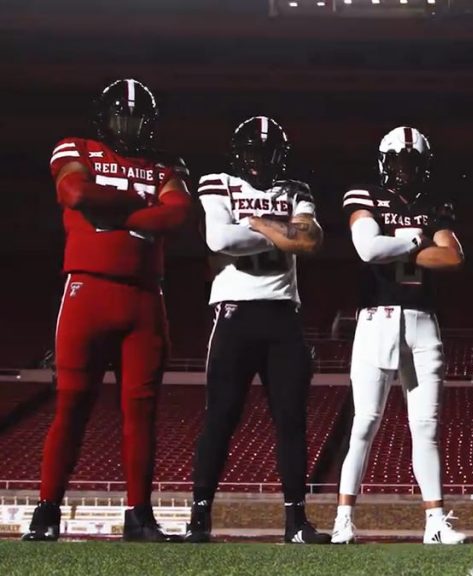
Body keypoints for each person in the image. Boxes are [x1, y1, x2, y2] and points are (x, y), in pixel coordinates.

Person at [24, 79, 190, 542]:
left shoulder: (164, 166)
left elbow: (176, 215)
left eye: (137, 119)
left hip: (144, 297)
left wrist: (113, 210)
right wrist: (142, 206)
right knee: (71, 404)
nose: (129, 126)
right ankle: (47, 509)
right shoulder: (75, 147)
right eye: (122, 117)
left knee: (142, 411)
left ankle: (139, 516)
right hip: (87, 290)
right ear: (103, 118)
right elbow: (75, 193)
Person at [184, 116, 328, 544]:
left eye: (265, 154)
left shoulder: (297, 190)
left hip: (283, 314)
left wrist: (253, 225)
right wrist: (276, 230)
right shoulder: (217, 182)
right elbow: (218, 240)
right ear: (237, 153)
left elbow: (308, 242)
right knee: (221, 418)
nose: (257, 162)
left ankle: (295, 522)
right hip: (234, 314)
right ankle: (199, 518)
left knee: (291, 421)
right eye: (251, 153)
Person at [332, 126, 466, 545]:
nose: (405, 171)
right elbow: (367, 250)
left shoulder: (436, 205)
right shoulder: (363, 194)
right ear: (385, 162)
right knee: (364, 424)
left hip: (423, 320)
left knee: (425, 426)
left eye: (412, 163)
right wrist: (414, 240)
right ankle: (343, 519)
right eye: (399, 162)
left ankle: (434, 522)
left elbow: (452, 256)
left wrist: (397, 243)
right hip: (376, 318)